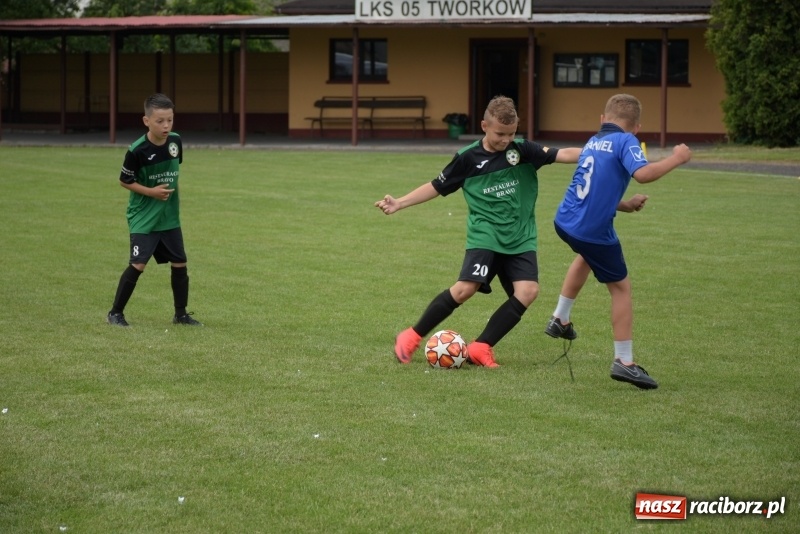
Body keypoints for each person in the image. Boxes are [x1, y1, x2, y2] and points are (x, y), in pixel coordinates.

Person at [375, 96, 581, 367]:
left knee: (528, 291)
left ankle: (481, 347)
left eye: (511, 133)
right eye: (499, 134)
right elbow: (437, 186)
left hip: (520, 237)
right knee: (464, 289)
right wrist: (400, 202)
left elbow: (562, 154)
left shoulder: (524, 150)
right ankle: (410, 337)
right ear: (484, 125)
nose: (506, 140)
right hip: (486, 235)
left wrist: (600, 152)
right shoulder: (467, 158)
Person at [544, 93, 691, 389]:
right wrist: (678, 158)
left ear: (602, 119)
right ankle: (624, 362)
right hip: (592, 229)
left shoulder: (593, 141)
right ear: (636, 127)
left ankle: (560, 318)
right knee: (621, 288)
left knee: (586, 255)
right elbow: (643, 174)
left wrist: (625, 205)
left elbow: (595, 188)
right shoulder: (626, 141)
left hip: (565, 220)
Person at [107, 93, 202, 327]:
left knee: (180, 262)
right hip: (144, 216)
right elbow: (124, 181)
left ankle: (181, 315)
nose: (166, 125)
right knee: (138, 264)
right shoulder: (137, 150)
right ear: (146, 121)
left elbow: (173, 170)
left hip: (169, 216)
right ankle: (115, 313)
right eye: (160, 121)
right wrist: (152, 192)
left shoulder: (176, 142)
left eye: (170, 119)